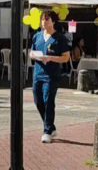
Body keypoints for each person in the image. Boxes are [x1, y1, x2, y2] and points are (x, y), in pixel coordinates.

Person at [30, 10, 71, 143]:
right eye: (42, 19)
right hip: (38, 73)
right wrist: (34, 55)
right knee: (38, 101)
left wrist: (50, 58)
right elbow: (31, 52)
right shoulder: (37, 36)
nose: (44, 22)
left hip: (51, 75)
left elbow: (66, 57)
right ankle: (51, 126)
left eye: (47, 19)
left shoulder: (59, 38)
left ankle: (47, 131)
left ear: (53, 21)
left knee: (48, 101)